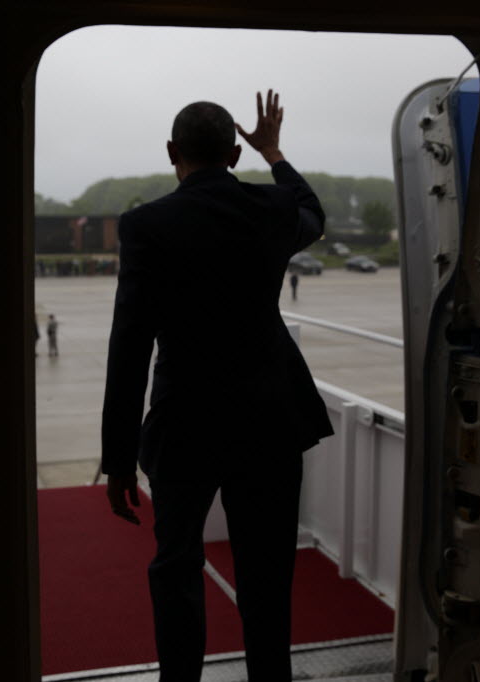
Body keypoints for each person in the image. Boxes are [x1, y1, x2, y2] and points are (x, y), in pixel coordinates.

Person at [101, 91, 333, 682]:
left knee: (177, 567)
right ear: (234, 154)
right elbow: (312, 211)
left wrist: (119, 459)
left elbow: (130, 345)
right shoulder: (273, 208)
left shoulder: (146, 225)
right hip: (270, 420)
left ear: (171, 151)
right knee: (267, 575)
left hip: (186, 421)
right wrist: (274, 153)